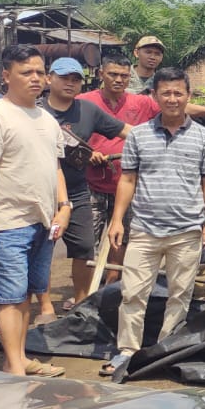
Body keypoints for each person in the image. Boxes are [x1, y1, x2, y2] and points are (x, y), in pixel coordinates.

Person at [102, 68, 205, 377]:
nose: (172, 99)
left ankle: (166, 349)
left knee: (180, 294)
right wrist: (117, 220)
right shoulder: (139, 135)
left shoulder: (204, 137)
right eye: (165, 93)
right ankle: (127, 351)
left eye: (178, 93)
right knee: (132, 293)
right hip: (144, 229)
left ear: (188, 96)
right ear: (154, 96)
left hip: (187, 230)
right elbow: (127, 179)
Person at [0, 44, 71, 377]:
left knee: (27, 292)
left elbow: (55, 168)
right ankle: (14, 367)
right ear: (7, 76)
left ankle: (21, 357)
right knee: (10, 297)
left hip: (42, 221)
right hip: (7, 223)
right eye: (27, 72)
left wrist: (64, 206)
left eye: (40, 72)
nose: (35, 78)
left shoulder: (46, 119)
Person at [38, 57, 130, 314]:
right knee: (43, 248)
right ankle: (45, 307)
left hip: (78, 191)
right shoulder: (36, 112)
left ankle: (81, 302)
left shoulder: (87, 110)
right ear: (49, 78)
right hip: (42, 192)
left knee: (83, 248)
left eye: (75, 79)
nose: (70, 83)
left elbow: (126, 131)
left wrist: (167, 137)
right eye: (64, 77)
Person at [78, 53, 162, 284]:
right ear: (101, 74)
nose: (118, 80)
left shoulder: (141, 102)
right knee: (87, 240)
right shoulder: (83, 101)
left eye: (124, 76)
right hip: (91, 182)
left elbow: (173, 105)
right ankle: (85, 290)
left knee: (123, 235)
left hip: (127, 182)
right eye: (113, 74)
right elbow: (68, 135)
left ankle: (111, 283)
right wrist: (88, 153)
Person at [126, 35, 205, 120]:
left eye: (157, 54)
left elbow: (181, 107)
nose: (152, 57)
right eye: (148, 52)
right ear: (136, 53)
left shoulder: (163, 82)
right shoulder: (121, 77)